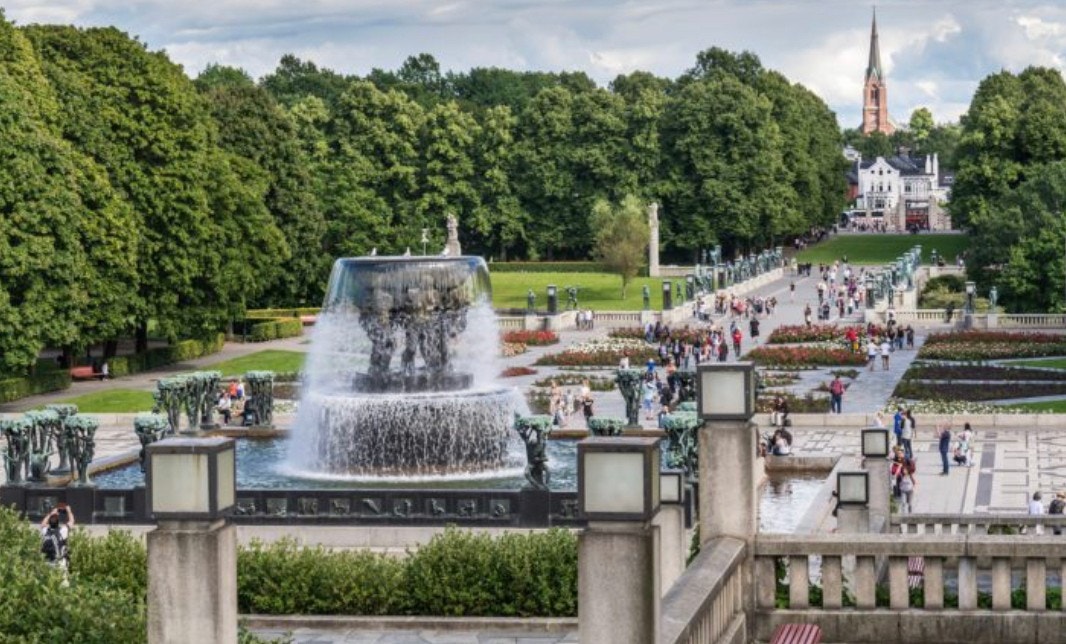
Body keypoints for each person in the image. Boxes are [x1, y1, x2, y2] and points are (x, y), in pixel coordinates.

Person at [40, 502, 75, 580]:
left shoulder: (45, 531)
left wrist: (51, 514)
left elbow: (42, 524)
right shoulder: (62, 531)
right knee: (63, 584)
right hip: (59, 563)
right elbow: (71, 522)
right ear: (58, 522)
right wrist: (68, 511)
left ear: (49, 523)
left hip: (47, 562)